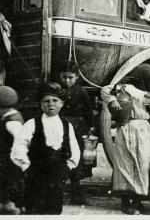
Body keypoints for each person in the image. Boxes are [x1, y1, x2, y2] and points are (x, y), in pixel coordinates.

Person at [10, 83, 80, 214]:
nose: (50, 104)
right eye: (46, 101)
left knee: (54, 207)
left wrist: (68, 166)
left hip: (57, 174)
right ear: (41, 104)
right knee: (35, 206)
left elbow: (74, 148)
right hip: (36, 174)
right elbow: (18, 147)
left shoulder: (66, 125)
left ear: (62, 103)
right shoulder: (32, 124)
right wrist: (26, 167)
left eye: (55, 100)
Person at [101, 67, 150, 215]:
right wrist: (113, 100)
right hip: (127, 126)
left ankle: (137, 201)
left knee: (143, 163)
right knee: (125, 163)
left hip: (143, 128)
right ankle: (126, 201)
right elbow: (106, 90)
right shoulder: (124, 87)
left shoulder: (148, 94)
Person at [57, 61, 94, 205]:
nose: (67, 80)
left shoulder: (81, 92)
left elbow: (88, 111)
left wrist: (90, 127)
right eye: (64, 77)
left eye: (70, 77)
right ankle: (58, 193)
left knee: (76, 158)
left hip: (77, 129)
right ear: (60, 76)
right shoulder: (58, 91)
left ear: (77, 77)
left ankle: (76, 193)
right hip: (61, 127)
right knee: (60, 157)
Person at [0, 86, 24, 214]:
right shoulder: (11, 117)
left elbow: (20, 141)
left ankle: (15, 206)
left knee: (11, 182)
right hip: (6, 159)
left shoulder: (12, 121)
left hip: (10, 160)